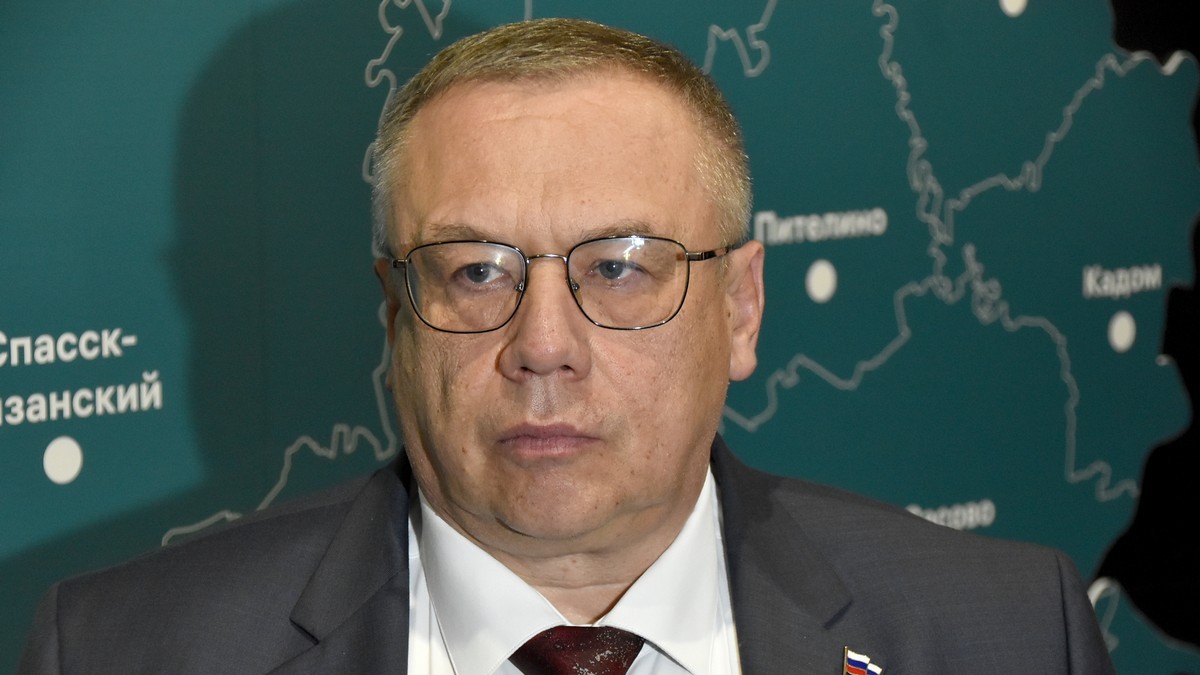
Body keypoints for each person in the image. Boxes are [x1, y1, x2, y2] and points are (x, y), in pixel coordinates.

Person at [18, 18, 1114, 675]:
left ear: (741, 310)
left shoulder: (1011, 634)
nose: (543, 347)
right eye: (475, 270)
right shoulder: (123, 652)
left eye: (621, 267)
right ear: (395, 316)